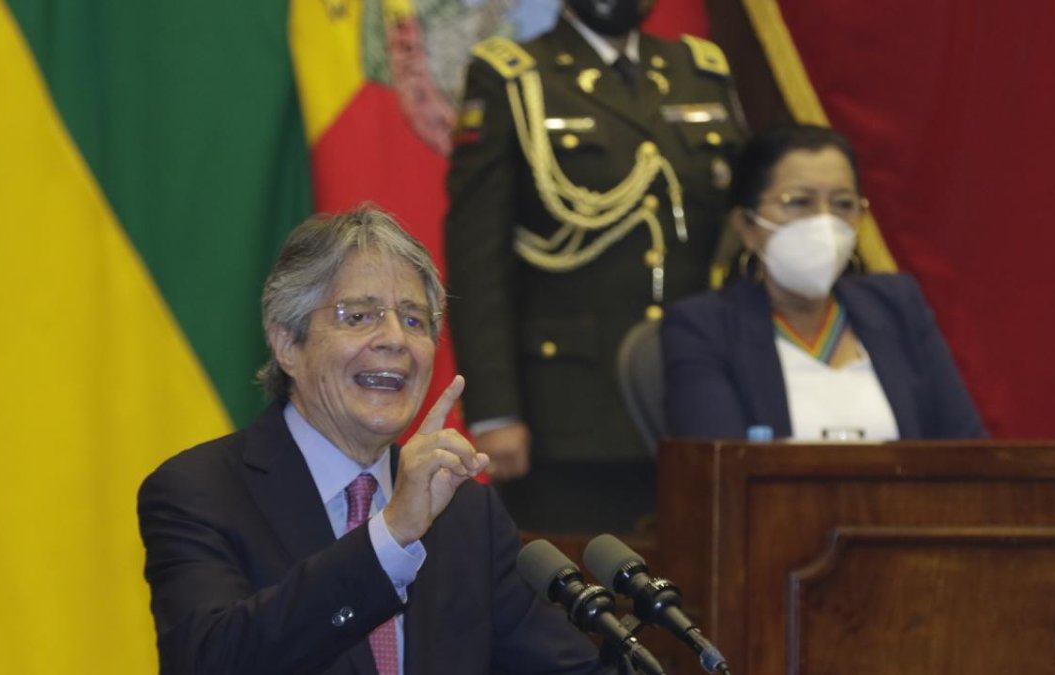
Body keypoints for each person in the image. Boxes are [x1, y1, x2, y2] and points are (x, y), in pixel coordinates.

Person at [137, 206, 614, 674]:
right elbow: (211, 660)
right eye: (359, 316)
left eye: (414, 320)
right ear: (287, 344)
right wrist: (391, 536)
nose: (395, 340)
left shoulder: (468, 515)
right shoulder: (200, 493)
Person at [444, 0, 747, 532]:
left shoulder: (699, 71)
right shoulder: (514, 78)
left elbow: (740, 227)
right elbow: (478, 257)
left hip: (700, 400)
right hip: (570, 412)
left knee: (701, 576)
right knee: (575, 578)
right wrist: (495, 411)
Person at [662, 125, 985, 440]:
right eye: (799, 202)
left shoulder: (897, 306)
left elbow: (967, 448)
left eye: (843, 204)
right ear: (747, 225)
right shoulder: (704, 328)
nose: (824, 221)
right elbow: (719, 464)